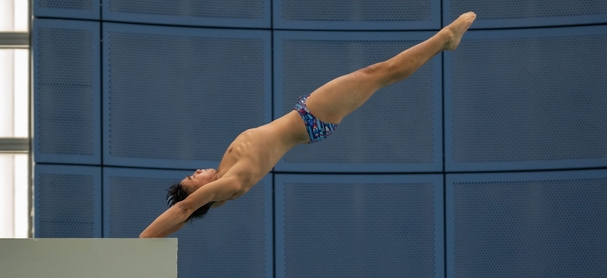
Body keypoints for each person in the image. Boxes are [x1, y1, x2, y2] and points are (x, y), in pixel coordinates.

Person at [140, 12, 476, 238]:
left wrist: (160, 236)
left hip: (308, 117)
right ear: (201, 194)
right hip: (312, 117)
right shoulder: (229, 184)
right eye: (193, 178)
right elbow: (184, 209)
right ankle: (445, 39)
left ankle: (442, 43)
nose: (197, 170)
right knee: (379, 73)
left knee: (377, 76)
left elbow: (184, 215)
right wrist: (142, 240)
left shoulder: (224, 185)